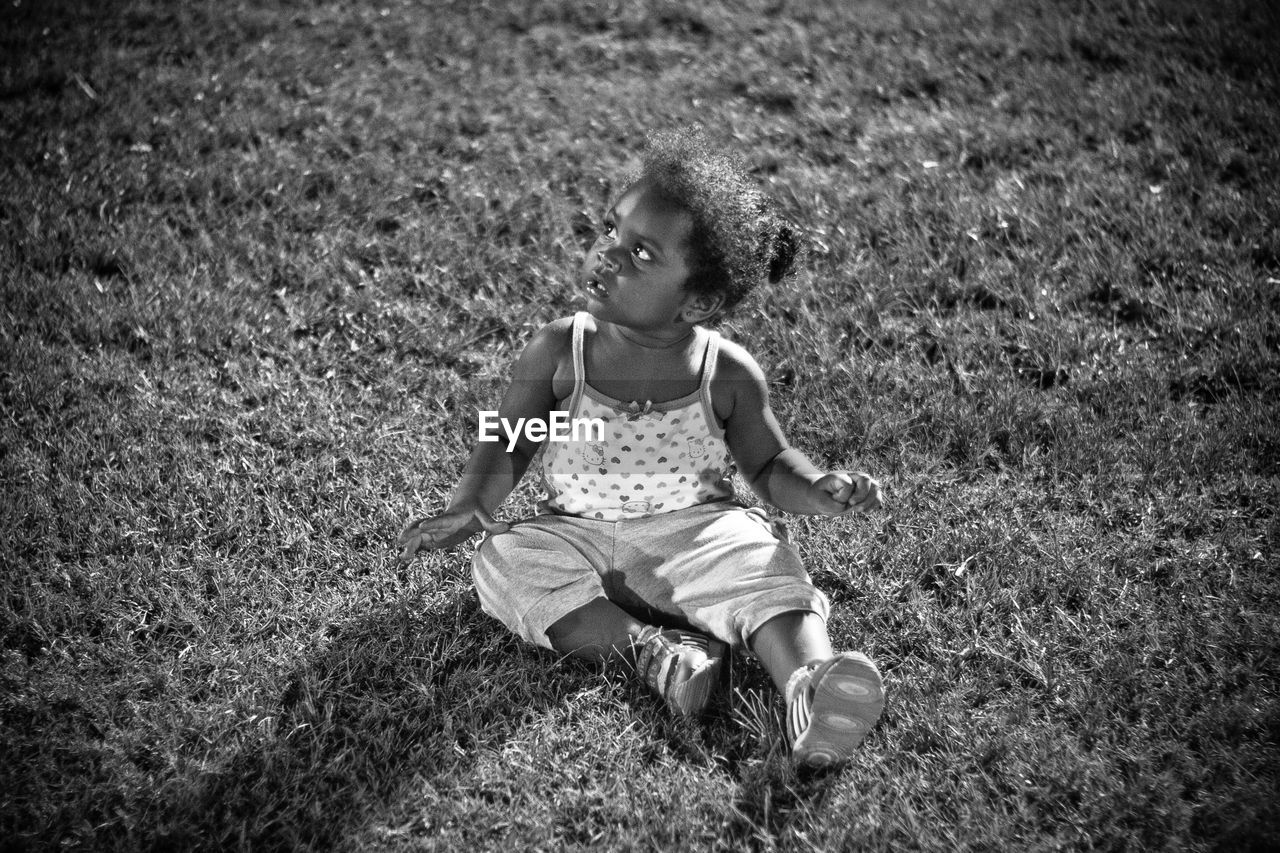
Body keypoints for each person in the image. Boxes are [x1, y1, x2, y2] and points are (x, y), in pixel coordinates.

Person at [398, 128, 885, 768]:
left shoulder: (727, 372)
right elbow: (512, 441)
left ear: (701, 301)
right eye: (610, 232)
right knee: (503, 560)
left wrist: (815, 489)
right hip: (577, 533)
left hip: (697, 534)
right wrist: (472, 504)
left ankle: (811, 684)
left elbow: (768, 466)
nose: (609, 256)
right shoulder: (559, 350)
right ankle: (656, 654)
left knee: (764, 564)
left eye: (643, 255)